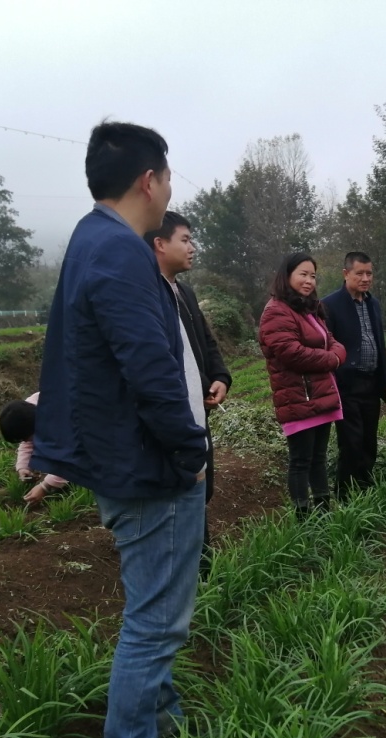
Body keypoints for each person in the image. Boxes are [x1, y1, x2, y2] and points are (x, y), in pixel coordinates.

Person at [31, 121, 208, 738]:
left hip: (118, 455)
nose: (169, 190)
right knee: (156, 621)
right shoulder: (121, 252)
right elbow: (149, 367)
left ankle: (162, 720)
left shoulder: (90, 238)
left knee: (153, 605)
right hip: (147, 467)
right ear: (149, 181)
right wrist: (190, 451)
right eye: (168, 178)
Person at [144, 211, 232, 569]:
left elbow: (207, 346)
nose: (192, 247)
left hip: (199, 413)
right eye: (185, 239)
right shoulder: (147, 295)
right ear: (159, 244)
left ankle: (201, 567)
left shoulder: (185, 293)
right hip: (173, 416)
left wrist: (221, 378)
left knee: (202, 488)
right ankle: (195, 572)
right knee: (183, 494)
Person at [259, 252, 346, 517]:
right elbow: (291, 352)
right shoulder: (276, 311)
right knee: (300, 460)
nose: (309, 281)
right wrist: (333, 359)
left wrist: (335, 355)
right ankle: (303, 518)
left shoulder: (307, 309)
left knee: (318, 457)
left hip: (319, 394)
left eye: (313, 276)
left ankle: (323, 510)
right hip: (298, 397)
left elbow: (332, 340)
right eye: (303, 275)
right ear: (287, 276)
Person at [321, 251, 386, 496]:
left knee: (368, 440)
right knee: (351, 442)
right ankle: (344, 491)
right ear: (346, 274)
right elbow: (326, 345)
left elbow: (379, 342)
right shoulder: (330, 305)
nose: (365, 278)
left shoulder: (372, 303)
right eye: (359, 273)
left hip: (371, 383)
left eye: (369, 273)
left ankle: (364, 486)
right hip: (346, 384)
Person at [0, 394, 68, 504]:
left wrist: (45, 487)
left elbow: (70, 459)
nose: (25, 441)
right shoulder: (27, 413)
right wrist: (23, 467)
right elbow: (28, 443)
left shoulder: (61, 420)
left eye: (25, 437)